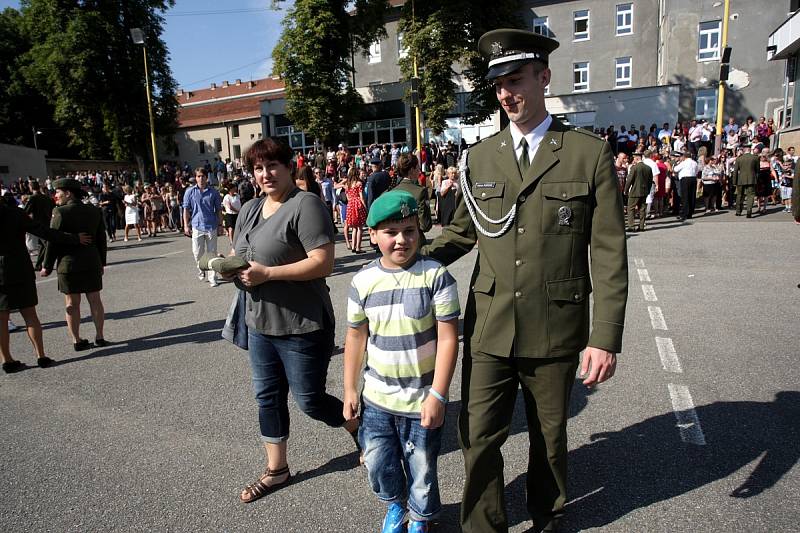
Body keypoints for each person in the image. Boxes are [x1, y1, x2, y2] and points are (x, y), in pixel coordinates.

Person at [421, 29, 627, 533]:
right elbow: (461, 233)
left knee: (549, 436)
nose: (508, 94)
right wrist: (404, 258)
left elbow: (607, 251)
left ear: (544, 78)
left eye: (516, 80)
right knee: (479, 434)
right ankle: (483, 525)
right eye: (499, 85)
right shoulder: (479, 158)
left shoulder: (587, 154)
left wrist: (605, 337)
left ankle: (547, 515)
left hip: (555, 324)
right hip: (491, 322)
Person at [230, 138, 360, 504]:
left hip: (302, 324)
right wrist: (230, 269)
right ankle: (277, 470)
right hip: (260, 323)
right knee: (267, 397)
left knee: (310, 400)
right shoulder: (251, 209)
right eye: (258, 168)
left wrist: (268, 274)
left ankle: (360, 427)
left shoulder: (306, 205)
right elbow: (240, 254)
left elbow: (323, 262)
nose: (265, 174)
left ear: (289, 167)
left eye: (273, 165)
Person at [343, 190, 460, 533]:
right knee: (378, 462)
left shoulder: (435, 276)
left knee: (422, 466)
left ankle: (421, 518)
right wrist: (350, 388)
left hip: (421, 399)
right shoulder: (362, 280)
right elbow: (355, 338)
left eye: (409, 231)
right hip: (377, 399)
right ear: (373, 234)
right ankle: (396, 504)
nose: (401, 240)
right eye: (391, 232)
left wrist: (438, 394)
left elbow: (449, 337)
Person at [1, 201, 91, 373]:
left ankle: (7, 360)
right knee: (30, 315)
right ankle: (40, 355)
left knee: (1, 319)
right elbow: (45, 232)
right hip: (19, 268)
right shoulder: (15, 213)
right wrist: (74, 238)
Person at [41, 178, 108, 351]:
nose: (56, 196)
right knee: (95, 300)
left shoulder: (60, 212)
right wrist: (102, 261)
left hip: (68, 264)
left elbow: (52, 240)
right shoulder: (93, 210)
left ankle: (77, 340)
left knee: (72, 303)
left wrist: (47, 266)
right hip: (91, 261)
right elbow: (101, 239)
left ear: (68, 193)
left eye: (58, 192)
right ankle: (99, 336)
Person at [183, 167, 223, 287]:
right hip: (196, 225)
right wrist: (185, 225)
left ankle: (212, 278)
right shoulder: (190, 191)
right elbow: (185, 209)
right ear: (195, 178)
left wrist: (221, 225)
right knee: (197, 253)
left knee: (212, 253)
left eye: (203, 176)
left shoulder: (214, 192)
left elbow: (219, 210)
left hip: (211, 226)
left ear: (207, 177)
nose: (201, 178)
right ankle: (201, 269)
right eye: (198, 176)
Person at [391, 153, 433, 235]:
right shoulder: (420, 191)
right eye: (417, 167)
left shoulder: (392, 191)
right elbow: (425, 225)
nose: (419, 170)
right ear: (411, 170)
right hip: (415, 238)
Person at [23, 180, 55, 268]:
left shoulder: (33, 198)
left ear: (31, 187)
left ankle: (48, 264)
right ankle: (38, 265)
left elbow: (26, 211)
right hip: (47, 223)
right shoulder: (46, 197)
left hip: (38, 224)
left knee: (47, 244)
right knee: (42, 245)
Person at [625, 152, 652, 231]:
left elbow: (629, 180)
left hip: (635, 191)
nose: (633, 159)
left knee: (631, 208)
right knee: (642, 209)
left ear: (637, 158)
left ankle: (631, 226)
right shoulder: (648, 168)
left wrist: (626, 190)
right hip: (644, 191)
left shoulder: (635, 167)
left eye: (634, 158)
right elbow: (650, 181)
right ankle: (641, 226)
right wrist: (648, 191)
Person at [345, 167, 368, 254]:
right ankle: (358, 247)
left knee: (354, 227)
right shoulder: (359, 183)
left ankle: (353, 246)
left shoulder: (347, 184)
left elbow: (348, 197)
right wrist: (365, 207)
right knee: (360, 227)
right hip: (358, 203)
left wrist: (351, 202)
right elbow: (361, 197)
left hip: (350, 204)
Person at [732, 147, 759, 218]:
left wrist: (734, 181)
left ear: (743, 151)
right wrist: (757, 179)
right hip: (751, 179)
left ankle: (738, 211)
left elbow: (735, 171)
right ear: (750, 151)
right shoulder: (755, 158)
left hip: (740, 179)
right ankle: (749, 212)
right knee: (750, 195)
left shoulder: (739, 158)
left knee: (739, 195)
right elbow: (757, 170)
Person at [673, 152, 699, 221]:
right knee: (692, 196)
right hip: (693, 178)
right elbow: (697, 171)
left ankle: (684, 214)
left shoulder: (684, 162)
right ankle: (690, 213)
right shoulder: (695, 162)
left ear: (684, 157)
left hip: (685, 179)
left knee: (685, 196)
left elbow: (675, 169)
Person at [222, 183, 241, 250]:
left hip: (237, 214)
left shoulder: (237, 195)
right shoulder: (227, 197)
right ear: (230, 190)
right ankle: (231, 241)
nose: (235, 189)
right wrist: (237, 211)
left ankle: (237, 240)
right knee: (231, 228)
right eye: (233, 188)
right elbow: (229, 206)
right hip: (230, 214)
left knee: (237, 228)